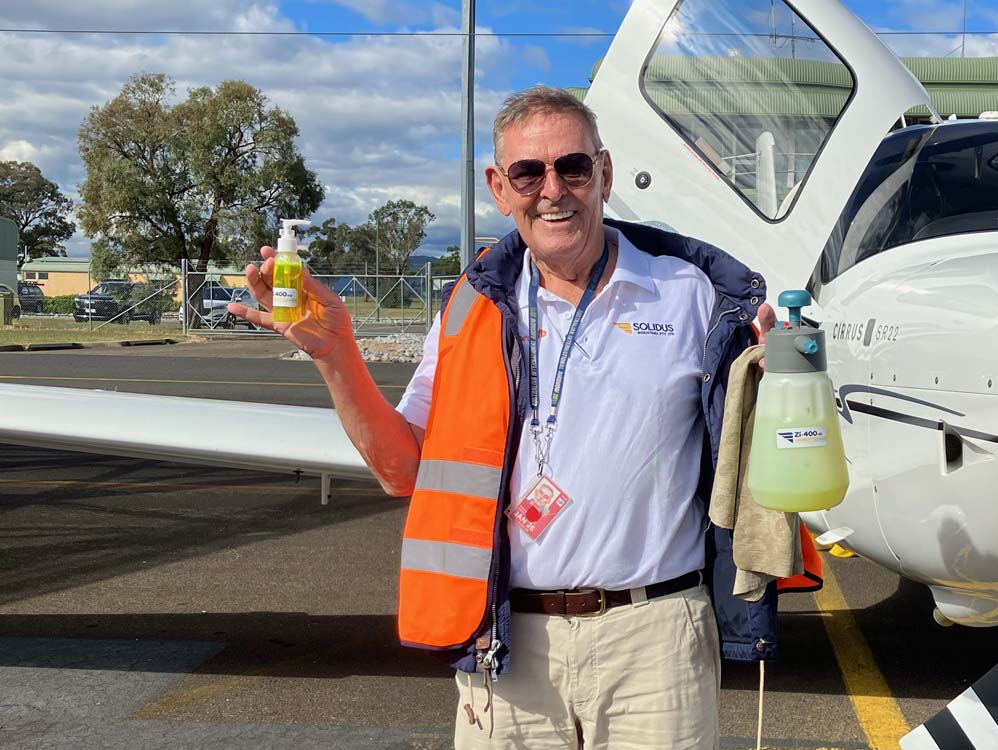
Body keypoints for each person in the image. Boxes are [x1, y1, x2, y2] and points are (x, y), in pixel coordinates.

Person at [230, 85, 779, 749]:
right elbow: (401, 469)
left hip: (656, 638)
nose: (554, 189)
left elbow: (768, 448)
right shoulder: (470, 308)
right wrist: (338, 354)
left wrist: (778, 378)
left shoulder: (692, 295)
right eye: (529, 172)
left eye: (572, 167)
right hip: (510, 642)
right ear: (499, 186)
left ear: (603, 173)